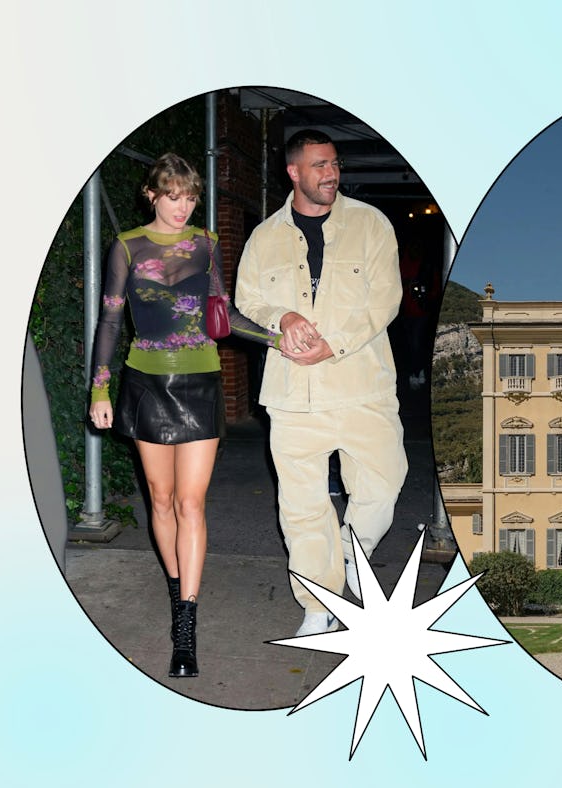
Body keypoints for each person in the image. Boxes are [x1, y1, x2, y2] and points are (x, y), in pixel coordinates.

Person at [89, 153, 278, 677]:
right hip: (146, 382)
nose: (183, 206)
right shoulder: (126, 246)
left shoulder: (207, 244)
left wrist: (278, 339)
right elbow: (109, 321)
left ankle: (185, 624)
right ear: (152, 194)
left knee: (192, 503)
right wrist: (99, 391)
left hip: (199, 381)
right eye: (173, 195)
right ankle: (177, 583)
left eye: (190, 196)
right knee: (162, 498)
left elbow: (224, 313)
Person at [235, 129, 408, 636]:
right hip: (293, 396)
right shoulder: (264, 238)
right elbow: (246, 304)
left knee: (386, 478)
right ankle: (318, 604)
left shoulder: (371, 225)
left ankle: (354, 550)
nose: (330, 174)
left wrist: (333, 343)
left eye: (334, 164)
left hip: (362, 386)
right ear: (293, 172)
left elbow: (386, 299)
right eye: (318, 165)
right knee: (302, 505)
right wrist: (282, 318)